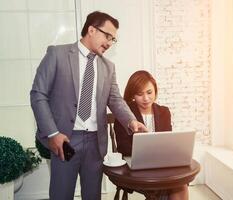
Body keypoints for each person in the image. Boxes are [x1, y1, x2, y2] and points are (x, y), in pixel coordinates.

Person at [30, 11, 147, 200]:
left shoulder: (108, 67)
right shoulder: (57, 54)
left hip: (95, 143)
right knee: (61, 195)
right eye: (107, 36)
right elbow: (38, 94)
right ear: (91, 30)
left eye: (113, 39)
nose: (110, 43)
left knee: (93, 196)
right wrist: (52, 133)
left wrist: (131, 121)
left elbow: (116, 99)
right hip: (65, 140)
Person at [114, 70, 188, 200]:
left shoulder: (164, 112)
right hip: (136, 167)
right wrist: (142, 149)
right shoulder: (125, 115)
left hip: (161, 164)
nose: (146, 98)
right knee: (166, 186)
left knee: (180, 184)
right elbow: (122, 147)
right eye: (139, 94)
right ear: (132, 95)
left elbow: (168, 142)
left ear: (155, 91)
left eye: (149, 92)